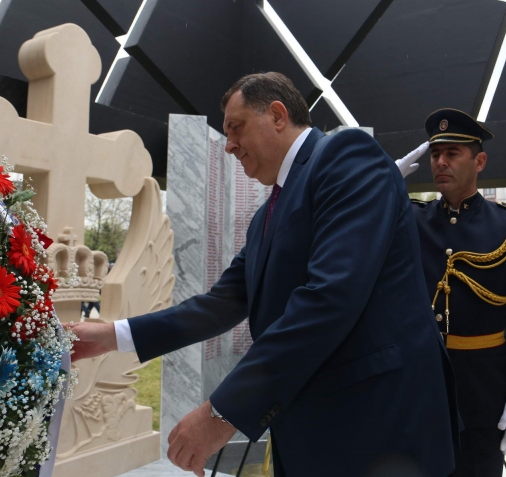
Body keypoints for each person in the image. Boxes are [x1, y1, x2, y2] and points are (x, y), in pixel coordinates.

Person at [68, 73, 458, 477]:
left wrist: (221, 414)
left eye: (236, 127)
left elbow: (329, 299)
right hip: (316, 430)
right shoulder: (265, 218)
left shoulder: (346, 156)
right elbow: (221, 304)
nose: (229, 145)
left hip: (376, 427)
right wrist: (112, 335)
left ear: (277, 115)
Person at [397, 109, 506, 477]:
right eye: (436, 154)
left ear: (479, 161)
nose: (440, 162)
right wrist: (384, 181)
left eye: (452, 153)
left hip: (483, 388)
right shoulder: (412, 218)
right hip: (420, 382)